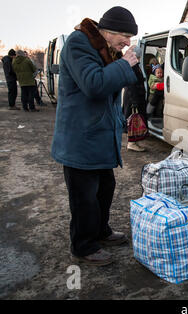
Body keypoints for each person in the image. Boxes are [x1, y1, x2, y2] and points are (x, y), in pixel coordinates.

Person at [51, 6, 139, 266]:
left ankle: (100, 231)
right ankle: (82, 245)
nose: (128, 42)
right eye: (124, 35)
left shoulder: (105, 49)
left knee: (105, 188)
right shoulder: (79, 44)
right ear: (107, 31)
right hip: (80, 138)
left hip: (97, 136)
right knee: (84, 196)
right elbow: (93, 84)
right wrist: (124, 65)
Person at [123, 48, 147, 152]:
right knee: (133, 120)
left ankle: (134, 141)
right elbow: (131, 84)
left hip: (134, 97)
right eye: (138, 56)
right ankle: (131, 143)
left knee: (135, 119)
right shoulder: (132, 66)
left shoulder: (134, 65)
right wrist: (134, 102)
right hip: (133, 97)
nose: (138, 58)